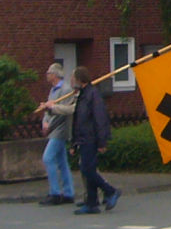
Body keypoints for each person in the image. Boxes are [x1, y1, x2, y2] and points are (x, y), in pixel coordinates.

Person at [67, 66, 118, 214]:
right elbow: (78, 121)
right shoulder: (82, 95)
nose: (71, 81)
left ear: (79, 79)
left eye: (73, 78)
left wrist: (102, 142)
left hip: (91, 138)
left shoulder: (92, 95)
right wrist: (74, 142)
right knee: (87, 169)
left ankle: (110, 191)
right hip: (83, 138)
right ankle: (92, 202)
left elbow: (100, 118)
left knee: (87, 170)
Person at [33, 63, 75, 205]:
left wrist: (50, 125)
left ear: (55, 75)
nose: (47, 75)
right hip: (53, 128)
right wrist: (45, 122)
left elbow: (63, 111)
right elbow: (48, 108)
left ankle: (55, 193)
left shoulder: (66, 89)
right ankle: (68, 193)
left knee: (48, 158)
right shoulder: (53, 90)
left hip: (60, 129)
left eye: (49, 73)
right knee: (62, 161)